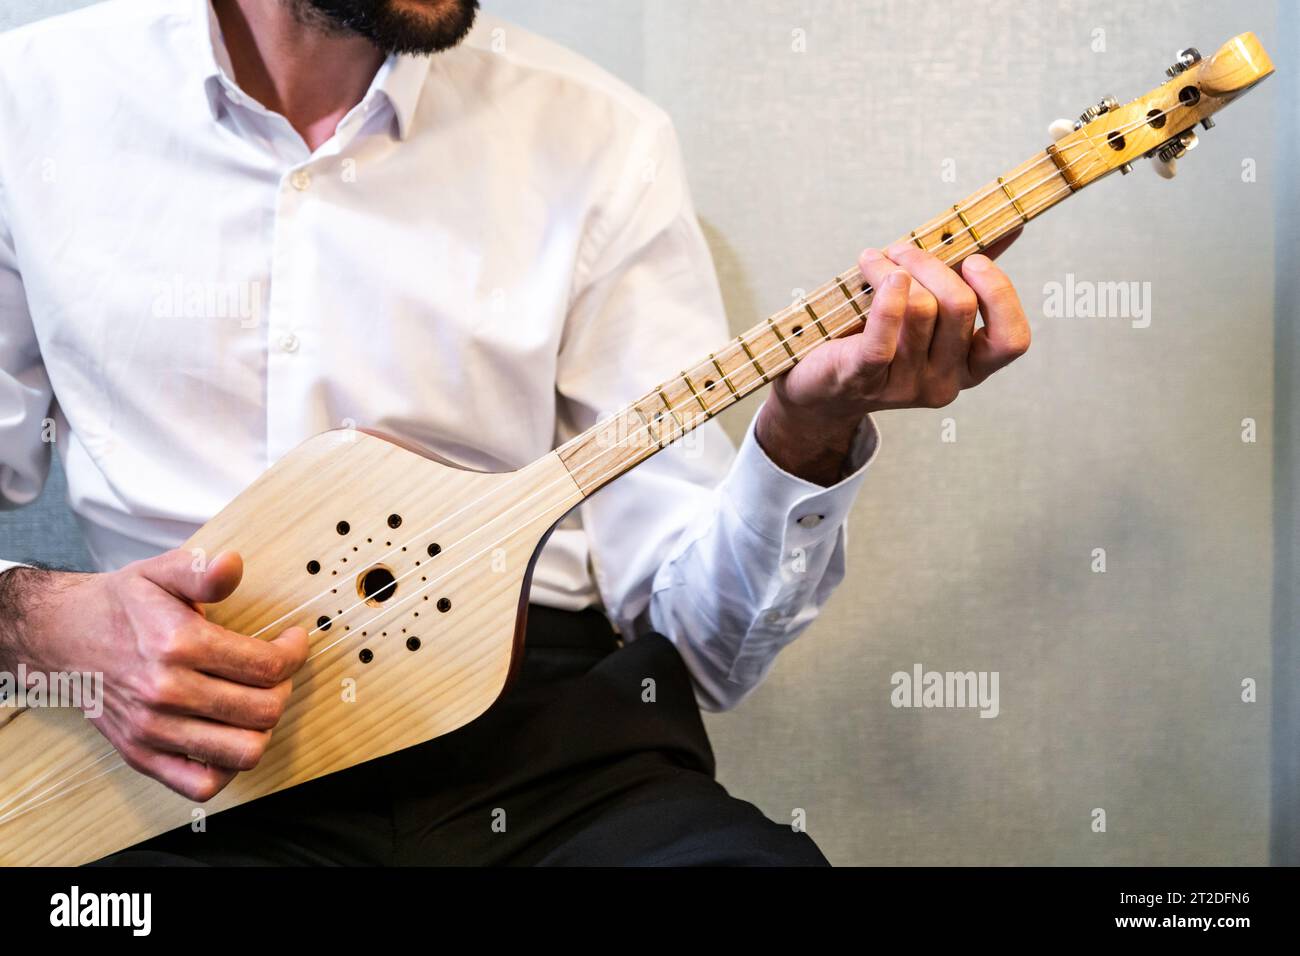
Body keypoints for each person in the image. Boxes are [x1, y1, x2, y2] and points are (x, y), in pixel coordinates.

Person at [0, 0, 1030, 865]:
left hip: (548, 758)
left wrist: (807, 431)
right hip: (185, 765)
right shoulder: (31, 103)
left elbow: (705, 649)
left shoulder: (599, 136)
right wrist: (39, 621)